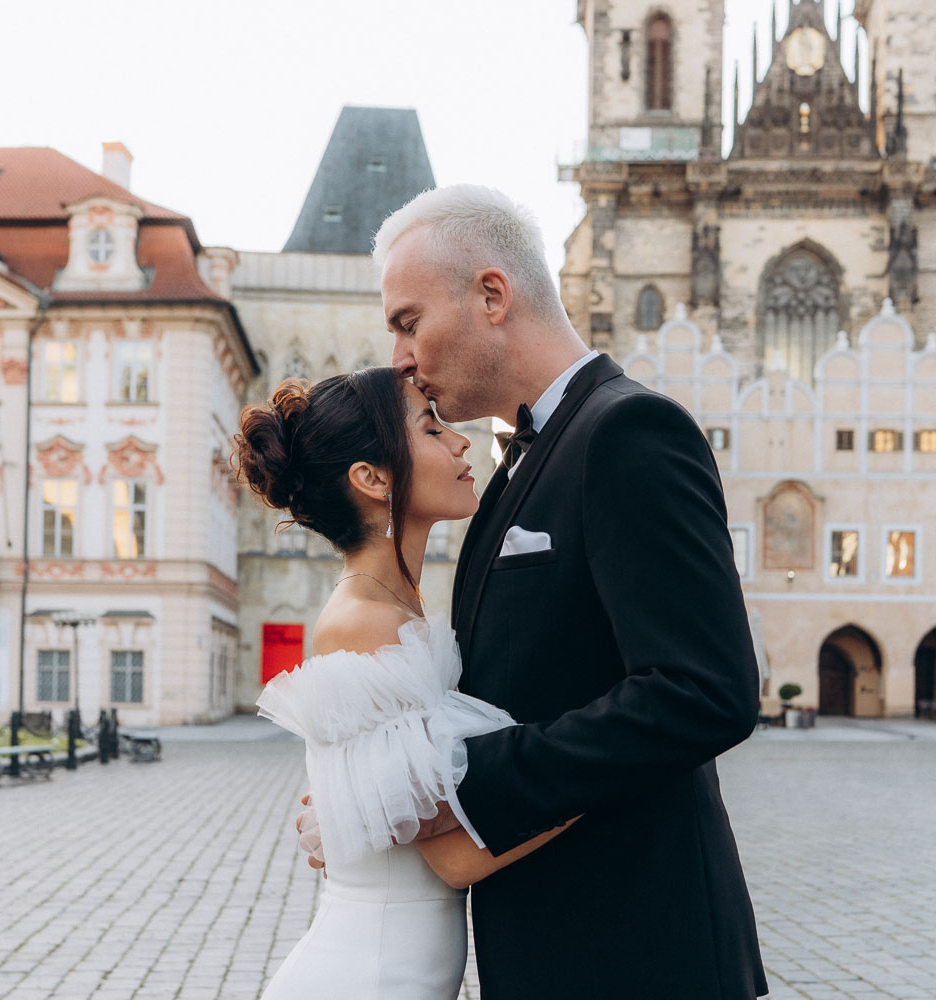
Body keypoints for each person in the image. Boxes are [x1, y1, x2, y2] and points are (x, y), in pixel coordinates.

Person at [378, 184, 768, 1000]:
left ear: (492, 295)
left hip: (642, 955)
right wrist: (369, 798)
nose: (400, 358)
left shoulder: (629, 430)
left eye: (408, 322)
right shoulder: (518, 462)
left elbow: (705, 691)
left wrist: (463, 783)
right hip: (550, 950)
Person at [235, 367, 576, 999]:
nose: (461, 442)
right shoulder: (364, 623)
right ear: (373, 478)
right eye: (431, 426)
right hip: (368, 974)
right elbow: (453, 858)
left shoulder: (397, 613)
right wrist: (618, 761)